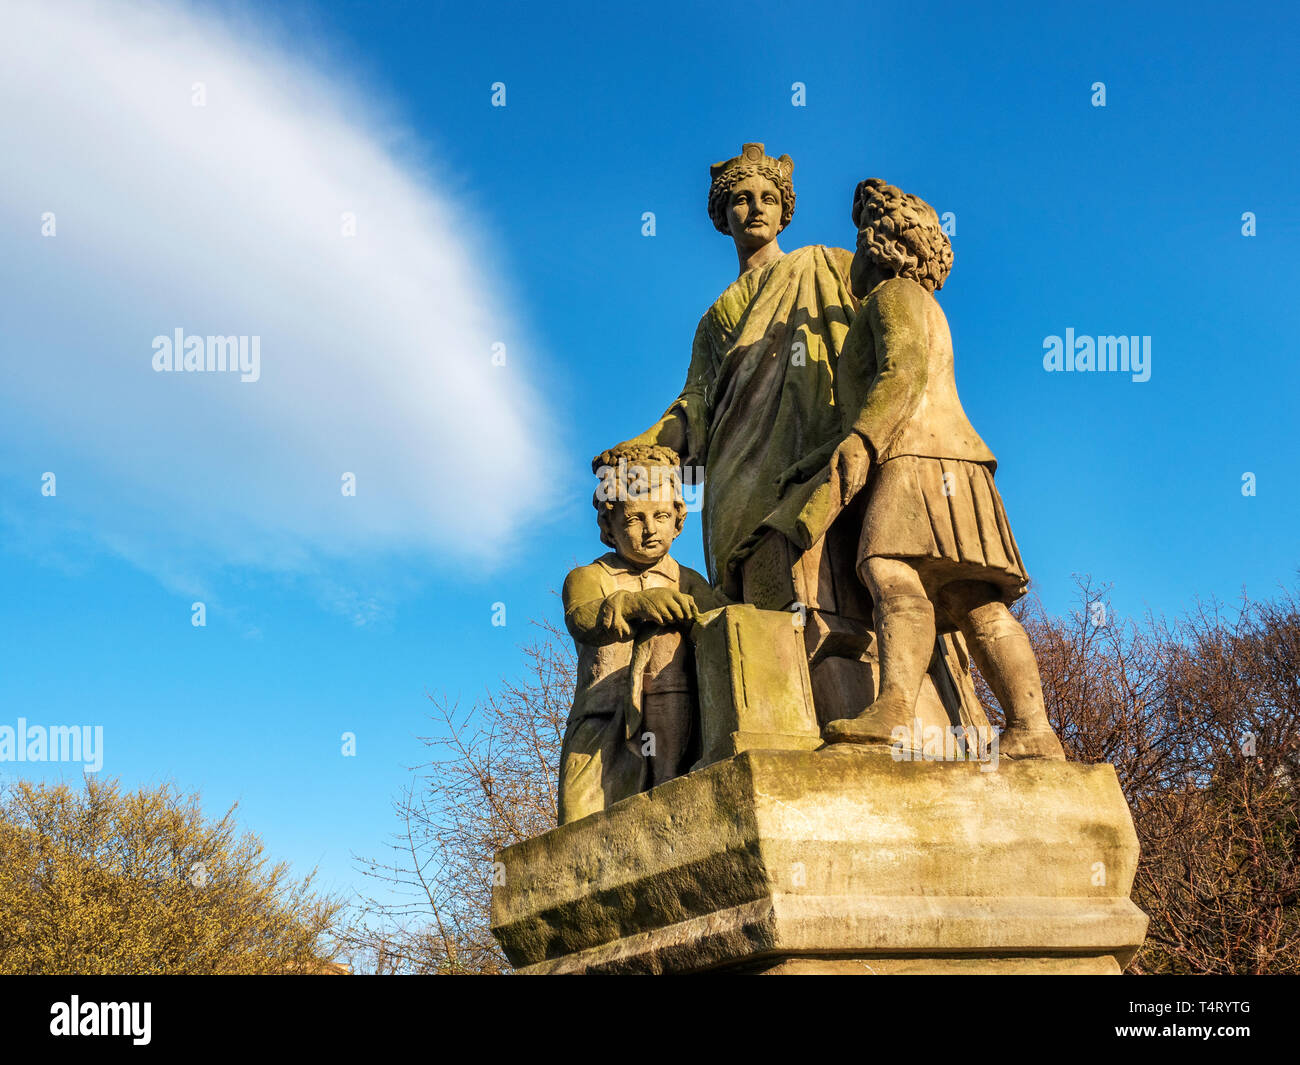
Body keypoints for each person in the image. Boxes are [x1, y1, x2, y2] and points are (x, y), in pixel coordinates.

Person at [607, 144, 982, 733]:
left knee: (848, 582)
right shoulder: (714, 319)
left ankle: (884, 716)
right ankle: (781, 725)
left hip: (823, 447)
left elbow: (894, 341)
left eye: (766, 198)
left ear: (785, 209)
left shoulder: (827, 264)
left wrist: (871, 436)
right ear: (721, 215)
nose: (753, 209)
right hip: (739, 473)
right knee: (765, 594)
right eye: (738, 200)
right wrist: (643, 448)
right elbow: (696, 405)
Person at [818, 178, 1065, 759]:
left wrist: (862, 439)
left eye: (861, 240)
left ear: (881, 245)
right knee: (973, 599)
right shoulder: (928, 304)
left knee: (889, 570)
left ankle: (895, 708)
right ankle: (1034, 728)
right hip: (961, 459)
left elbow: (899, 375)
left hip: (914, 455)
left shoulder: (889, 297)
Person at [557, 445, 725, 824]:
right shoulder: (589, 577)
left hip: (675, 724)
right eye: (634, 519)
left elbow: (719, 625)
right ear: (609, 525)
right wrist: (633, 605)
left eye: (661, 516)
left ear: (678, 521)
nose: (650, 530)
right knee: (580, 830)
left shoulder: (690, 581)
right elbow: (582, 619)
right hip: (601, 722)